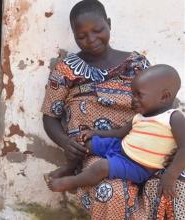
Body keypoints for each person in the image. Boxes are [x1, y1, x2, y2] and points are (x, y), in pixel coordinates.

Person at [41, 0, 153, 218]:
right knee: (112, 191)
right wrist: (65, 142)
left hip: (142, 146)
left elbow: (158, 104)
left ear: (109, 24)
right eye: (81, 36)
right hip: (95, 152)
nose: (91, 40)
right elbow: (50, 117)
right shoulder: (65, 70)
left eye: (98, 30)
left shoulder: (137, 64)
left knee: (177, 185)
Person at [46, 64, 185, 198]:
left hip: (139, 166)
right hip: (121, 147)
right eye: (133, 95)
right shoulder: (140, 116)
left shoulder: (174, 118)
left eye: (139, 95)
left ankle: (71, 182)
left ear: (164, 97)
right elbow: (119, 133)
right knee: (86, 143)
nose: (133, 100)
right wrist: (95, 133)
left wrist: (171, 175)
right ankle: (70, 167)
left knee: (101, 167)